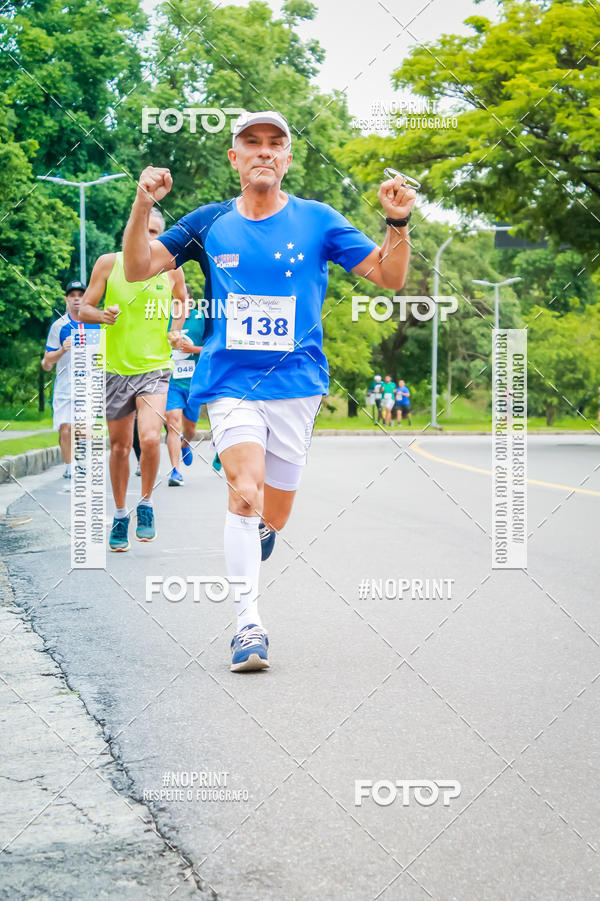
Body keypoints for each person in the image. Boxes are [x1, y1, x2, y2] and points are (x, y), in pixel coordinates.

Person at [122, 109, 415, 671]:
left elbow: (389, 276)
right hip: (231, 379)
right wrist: (143, 204)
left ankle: (260, 534)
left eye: (274, 143)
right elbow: (137, 268)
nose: (263, 151)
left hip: (297, 384)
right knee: (244, 489)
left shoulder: (318, 221)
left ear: (287, 158)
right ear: (233, 158)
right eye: (251, 143)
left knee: (273, 514)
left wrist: (397, 223)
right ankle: (247, 626)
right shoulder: (208, 223)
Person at [79, 208, 186, 551]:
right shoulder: (109, 264)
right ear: (130, 230)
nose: (149, 238)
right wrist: (101, 315)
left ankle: (146, 504)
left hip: (155, 368)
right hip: (114, 369)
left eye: (156, 232)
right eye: (144, 230)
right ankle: (121, 514)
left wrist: (176, 328)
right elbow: (83, 309)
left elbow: (183, 302)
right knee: (121, 447)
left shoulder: (171, 269)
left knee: (151, 438)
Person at [42, 280, 100, 481]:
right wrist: (62, 350)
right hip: (65, 386)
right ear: (67, 299)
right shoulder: (59, 326)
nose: (77, 298)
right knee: (65, 428)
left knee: (84, 428)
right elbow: (46, 361)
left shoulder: (97, 325)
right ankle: (69, 466)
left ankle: (82, 460)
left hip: (89, 385)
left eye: (81, 295)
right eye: (72, 295)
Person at [165, 297, 205, 486]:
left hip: (194, 384)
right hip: (171, 382)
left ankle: (186, 443)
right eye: (176, 302)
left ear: (190, 302)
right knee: (172, 421)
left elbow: (212, 346)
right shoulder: (165, 320)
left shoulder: (201, 318)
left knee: (190, 430)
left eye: (185, 301)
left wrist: (193, 349)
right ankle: (175, 471)